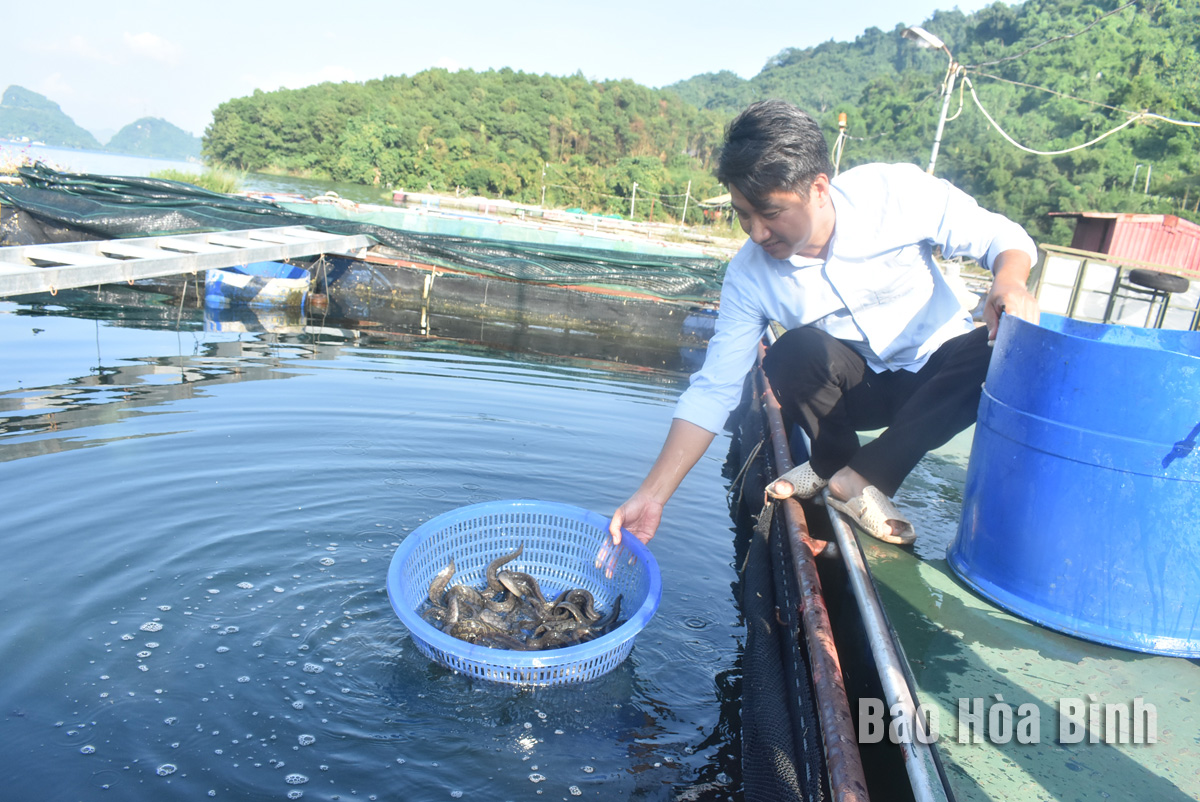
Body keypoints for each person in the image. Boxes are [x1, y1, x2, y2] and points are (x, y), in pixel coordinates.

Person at [608, 99, 1039, 548]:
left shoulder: (894, 193)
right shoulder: (749, 274)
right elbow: (714, 388)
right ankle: (833, 463)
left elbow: (999, 236)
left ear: (818, 188)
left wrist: (1009, 281)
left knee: (1006, 347)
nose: (756, 233)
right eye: (743, 215)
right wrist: (652, 495)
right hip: (858, 390)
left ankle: (864, 477)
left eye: (771, 213)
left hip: (938, 377)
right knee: (793, 353)